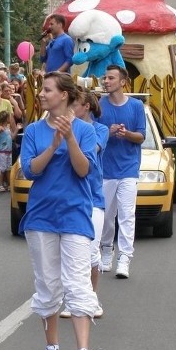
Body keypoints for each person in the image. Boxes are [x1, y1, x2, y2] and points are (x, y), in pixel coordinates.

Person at [19, 72, 99, 350]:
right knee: (48, 282)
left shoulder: (85, 131)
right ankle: (51, 346)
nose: (42, 93)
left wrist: (69, 138)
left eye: (48, 89)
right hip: (41, 216)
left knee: (78, 282)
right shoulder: (33, 132)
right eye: (42, 89)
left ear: (64, 95)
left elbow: (83, 170)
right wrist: (53, 145)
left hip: (75, 214)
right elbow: (30, 171)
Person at [61, 87, 108, 319]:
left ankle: (91, 297)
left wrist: (70, 135)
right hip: (71, 196)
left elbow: (92, 150)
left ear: (86, 107)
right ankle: (74, 299)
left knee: (90, 252)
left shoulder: (99, 130)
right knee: (72, 252)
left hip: (94, 196)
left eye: (75, 105)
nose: (71, 109)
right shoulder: (62, 126)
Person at [96, 65, 146, 279]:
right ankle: (107, 249)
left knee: (127, 215)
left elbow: (141, 136)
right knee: (107, 215)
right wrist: (109, 132)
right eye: (105, 78)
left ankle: (125, 258)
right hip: (106, 169)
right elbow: (94, 134)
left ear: (122, 82)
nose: (106, 81)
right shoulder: (99, 105)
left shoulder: (135, 106)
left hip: (128, 169)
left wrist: (126, 134)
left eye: (111, 78)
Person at [0, 110, 13, 192]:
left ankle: (9, 184)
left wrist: (17, 129)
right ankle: (0, 184)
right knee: (1, 168)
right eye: (9, 117)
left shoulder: (8, 128)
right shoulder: (0, 127)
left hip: (8, 150)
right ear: (6, 118)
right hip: (1, 151)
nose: (10, 119)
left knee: (8, 168)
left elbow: (12, 137)